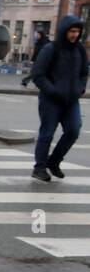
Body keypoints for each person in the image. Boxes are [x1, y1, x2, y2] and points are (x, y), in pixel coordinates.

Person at [30, 15, 87, 181]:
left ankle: (54, 162)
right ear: (64, 31)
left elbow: (84, 73)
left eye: (78, 31)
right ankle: (39, 168)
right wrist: (53, 91)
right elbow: (38, 75)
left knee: (73, 130)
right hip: (51, 100)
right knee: (47, 134)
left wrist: (80, 88)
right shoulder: (51, 49)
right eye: (72, 31)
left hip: (71, 100)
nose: (75, 35)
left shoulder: (80, 50)